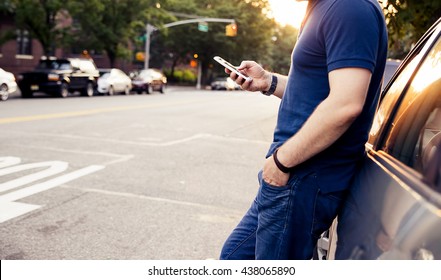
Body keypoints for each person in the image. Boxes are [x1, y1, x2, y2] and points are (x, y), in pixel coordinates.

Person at [219, 0, 388, 260]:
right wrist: (267, 81)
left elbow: (345, 104)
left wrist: (281, 162)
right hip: (290, 178)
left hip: (302, 177)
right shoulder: (323, 8)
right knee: (234, 258)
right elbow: (314, 93)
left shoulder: (349, 7)